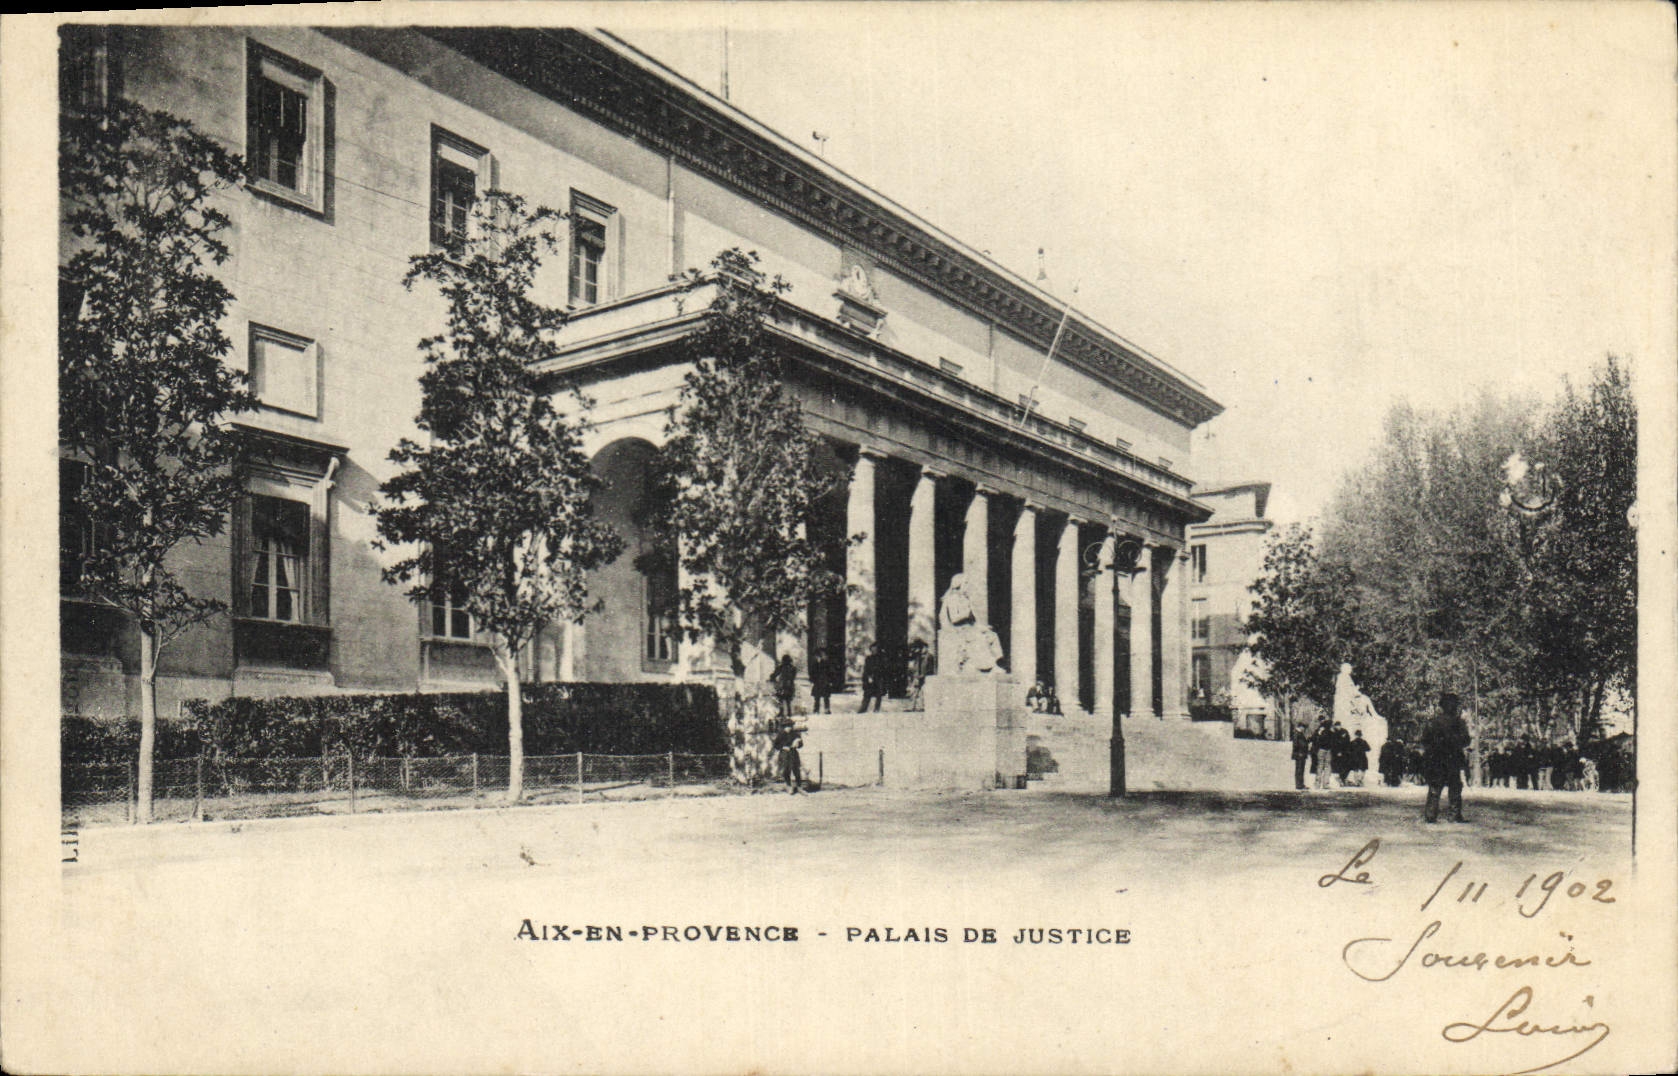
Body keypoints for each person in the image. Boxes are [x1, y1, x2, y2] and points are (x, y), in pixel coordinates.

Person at [1422, 691, 1472, 823]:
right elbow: (1466, 740)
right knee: (1455, 787)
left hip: (1436, 759)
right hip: (1453, 759)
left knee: (1435, 787)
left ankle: (1430, 815)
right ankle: (1454, 815)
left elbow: (1425, 740)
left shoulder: (1433, 722)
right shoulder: (1459, 722)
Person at [772, 719, 805, 794]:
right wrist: (783, 747)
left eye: (790, 726)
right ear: (784, 727)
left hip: (793, 753)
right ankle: (789, 786)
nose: (788, 728)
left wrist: (798, 744)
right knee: (786, 770)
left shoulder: (795, 734)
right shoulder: (781, 734)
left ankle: (799, 787)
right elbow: (776, 745)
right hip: (785, 754)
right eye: (786, 726)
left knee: (796, 770)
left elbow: (801, 744)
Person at [859, 643, 886, 713]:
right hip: (870, 678)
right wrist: (868, 677)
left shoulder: (881, 658)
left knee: (878, 694)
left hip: (878, 677)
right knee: (867, 693)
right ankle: (863, 708)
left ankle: (877, 708)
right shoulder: (868, 658)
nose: (874, 650)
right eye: (872, 649)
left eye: (875, 649)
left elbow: (883, 668)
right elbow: (866, 669)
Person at [770, 654, 798, 719]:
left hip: (782, 686)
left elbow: (775, 674)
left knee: (781, 699)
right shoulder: (793, 668)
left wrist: (772, 678)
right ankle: (789, 713)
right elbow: (793, 677)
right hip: (790, 686)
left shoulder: (781, 667)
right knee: (788, 700)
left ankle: (781, 712)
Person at [1311, 718, 1334, 790]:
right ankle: (1325, 784)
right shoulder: (1331, 733)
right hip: (1328, 751)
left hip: (1321, 750)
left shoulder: (1320, 732)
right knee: (1327, 767)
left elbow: (1316, 741)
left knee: (1320, 767)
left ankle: (1317, 784)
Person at [809, 648, 834, 714]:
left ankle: (826, 709)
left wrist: (830, 680)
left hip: (824, 682)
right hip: (819, 682)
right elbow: (812, 672)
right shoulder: (815, 663)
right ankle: (817, 709)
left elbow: (830, 672)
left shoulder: (826, 663)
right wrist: (812, 679)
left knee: (825, 697)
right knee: (817, 697)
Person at [1290, 722, 1311, 790]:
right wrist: (1298, 752)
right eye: (1303, 727)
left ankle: (1300, 784)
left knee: (1301, 770)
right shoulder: (1297, 734)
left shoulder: (1299, 733)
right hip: (1300, 754)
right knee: (1299, 770)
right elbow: (1296, 744)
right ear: (1300, 727)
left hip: (1301, 754)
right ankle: (1299, 785)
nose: (1304, 729)